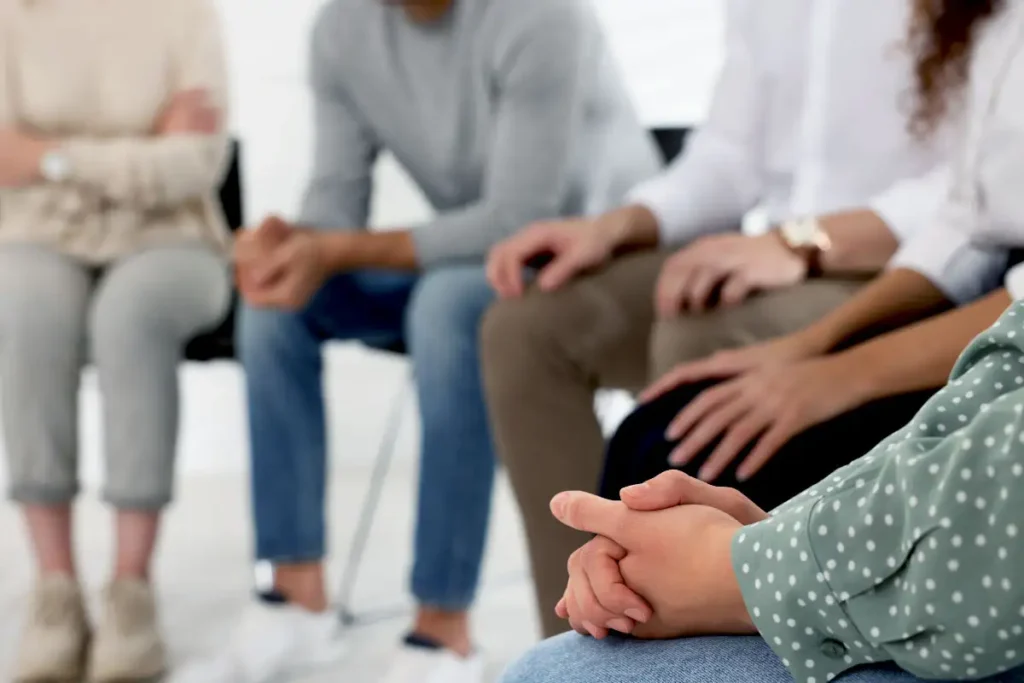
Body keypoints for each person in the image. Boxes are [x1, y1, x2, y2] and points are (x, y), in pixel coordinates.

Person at [502, 0, 1024, 680]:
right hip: (948, 296)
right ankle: (610, 594)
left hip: (886, 272)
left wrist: (742, 565)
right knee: (650, 427)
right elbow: (967, 219)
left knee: (690, 423)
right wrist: (804, 351)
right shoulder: (990, 23)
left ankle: (638, 594)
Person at [173, 0, 660, 681]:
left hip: (590, 260)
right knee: (279, 304)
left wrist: (332, 245)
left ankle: (443, 629)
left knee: (445, 305)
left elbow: (520, 217)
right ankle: (295, 598)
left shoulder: (543, 18)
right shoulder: (343, 30)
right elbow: (335, 203)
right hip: (480, 258)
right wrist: (292, 246)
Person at [0, 0, 232, 681]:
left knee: (129, 315)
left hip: (174, 237)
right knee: (23, 307)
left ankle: (131, 591)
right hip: (36, 237)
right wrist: (140, 149)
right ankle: (56, 591)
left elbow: (196, 161)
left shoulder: (186, 14)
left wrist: (53, 157)